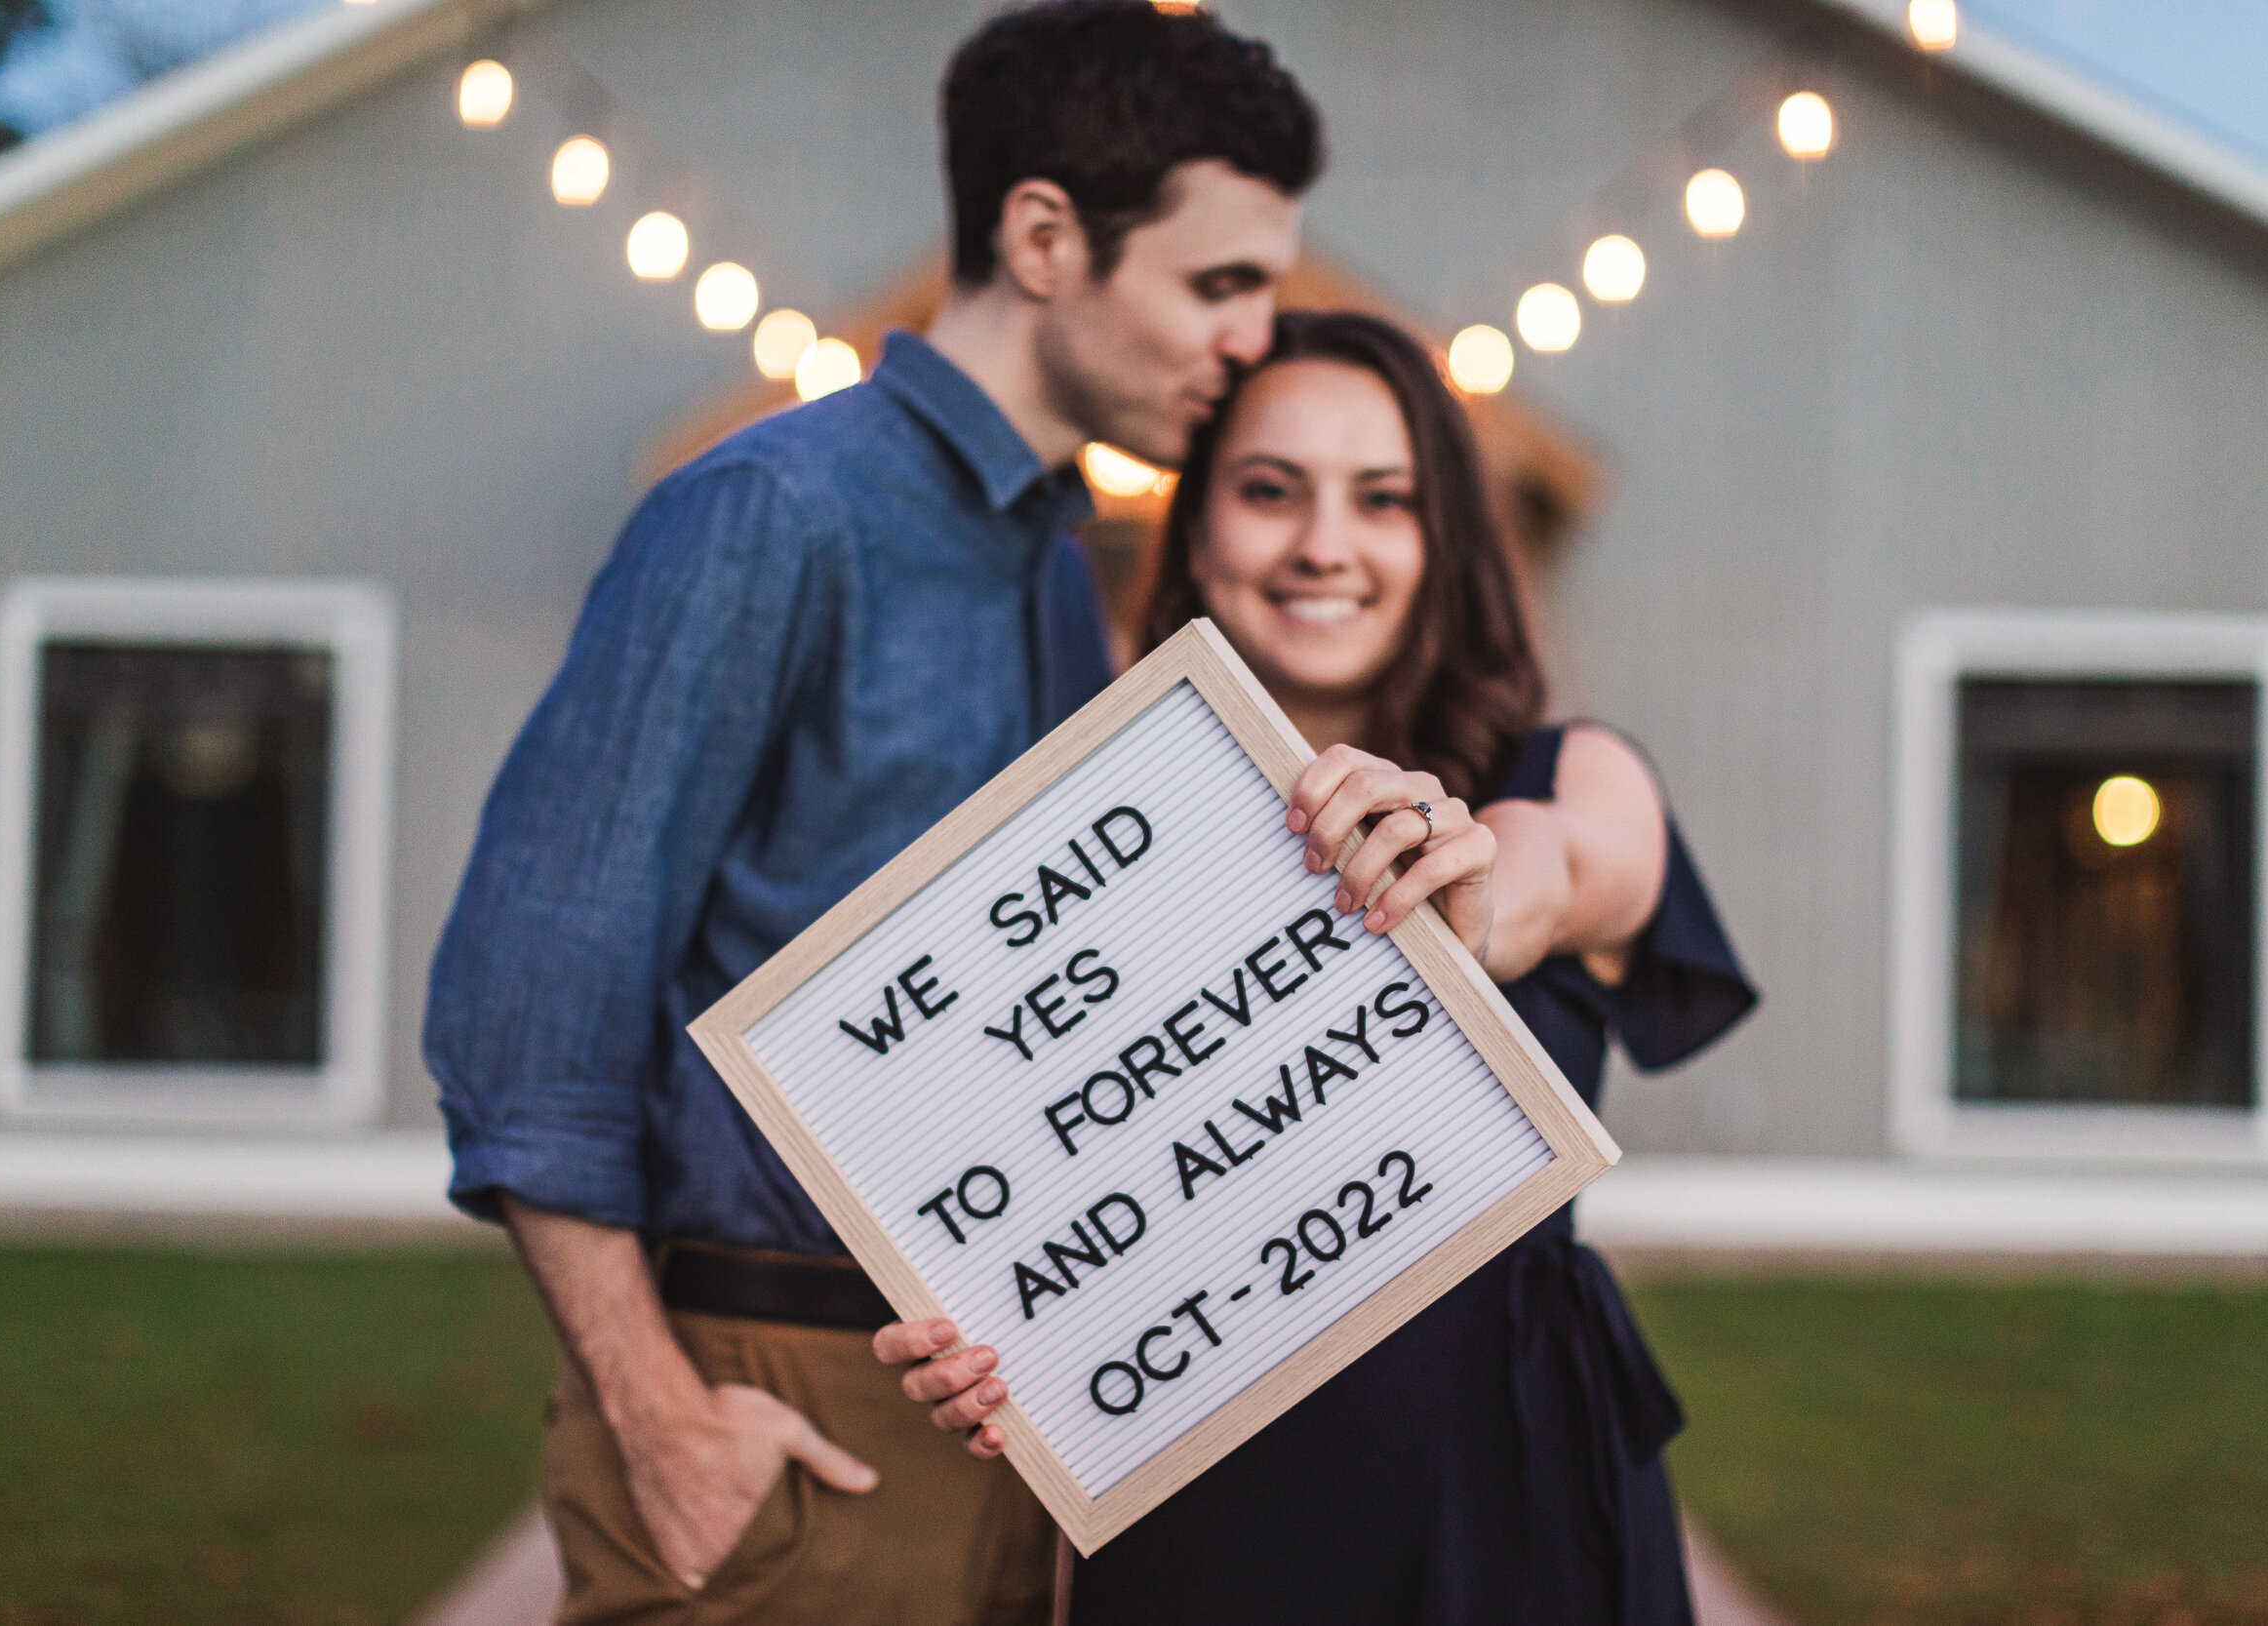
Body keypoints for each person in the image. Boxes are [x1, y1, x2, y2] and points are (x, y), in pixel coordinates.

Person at [422, 6, 1322, 1622]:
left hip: (993, 1405)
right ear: (1045, 236)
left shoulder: (1052, 563)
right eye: (1218, 283)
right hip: (777, 1400)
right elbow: (524, 1018)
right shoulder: (768, 515)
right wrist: (666, 1421)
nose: (1252, 338)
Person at [877, 310, 1757, 1625]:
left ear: (1444, 539)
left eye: (1384, 499)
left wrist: (1463, 879)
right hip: (1201, 1495)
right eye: (1269, 491)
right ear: (1199, 528)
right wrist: (998, 1334)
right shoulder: (1088, 851)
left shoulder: (1568, 777)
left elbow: (1554, 873)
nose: (1322, 546)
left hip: (1502, 1499)